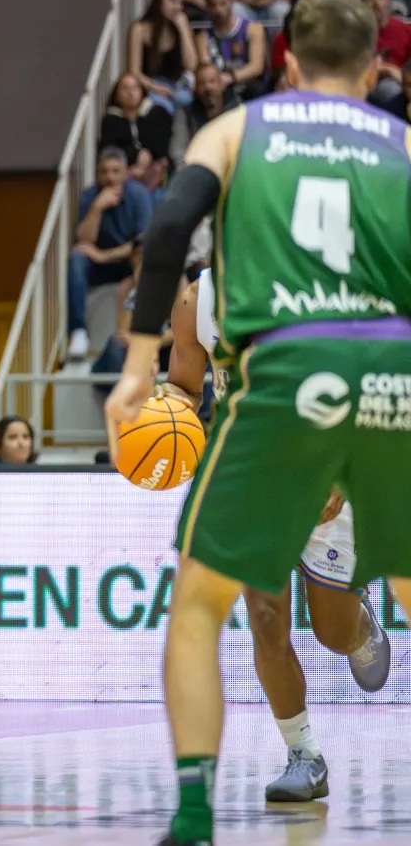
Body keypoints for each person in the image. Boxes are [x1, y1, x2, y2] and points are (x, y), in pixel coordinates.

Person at [104, 0, 411, 846]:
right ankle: (299, 753)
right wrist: (166, 401)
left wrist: (128, 376)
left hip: (303, 392)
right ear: (378, 70)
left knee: (304, 620)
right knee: (259, 614)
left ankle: (193, 812)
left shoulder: (241, 131)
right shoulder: (403, 145)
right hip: (354, 389)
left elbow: (169, 221)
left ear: (282, 65)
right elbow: (189, 397)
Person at [164, 266, 390, 800]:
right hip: (248, 475)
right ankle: (304, 755)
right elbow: (182, 386)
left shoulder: (325, 281)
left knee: (332, 633)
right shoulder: (197, 301)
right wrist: (164, 418)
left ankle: (359, 629)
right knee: (266, 620)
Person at [66, 147, 153, 360]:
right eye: (104, 171)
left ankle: (145, 331)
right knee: (77, 258)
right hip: (101, 266)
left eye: (116, 171)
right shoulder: (91, 195)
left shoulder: (139, 195)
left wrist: (103, 256)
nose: (110, 177)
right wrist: (97, 208)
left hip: (128, 262)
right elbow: (85, 241)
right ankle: (78, 333)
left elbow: (141, 243)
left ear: (126, 172)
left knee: (143, 259)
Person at [128, 0, 196, 113]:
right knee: (162, 106)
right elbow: (134, 71)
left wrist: (183, 30)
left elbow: (191, 65)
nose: (177, 7)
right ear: (159, 1)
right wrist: (155, 87)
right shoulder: (139, 29)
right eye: (172, 1)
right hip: (149, 83)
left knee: (186, 98)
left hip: (176, 86)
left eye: (180, 2)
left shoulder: (182, 26)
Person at [100, 73, 173, 171]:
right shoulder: (110, 121)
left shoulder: (157, 114)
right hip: (124, 172)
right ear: (116, 94)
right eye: (125, 88)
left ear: (142, 91)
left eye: (135, 88)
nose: (130, 93)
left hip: (156, 169)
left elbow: (164, 143)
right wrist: (136, 156)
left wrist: (148, 155)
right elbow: (110, 149)